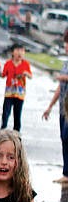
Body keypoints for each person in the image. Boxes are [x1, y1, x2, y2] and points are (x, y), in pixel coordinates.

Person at [42, 29, 68, 184]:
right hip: (63, 107)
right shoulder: (66, 63)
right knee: (64, 139)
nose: (66, 46)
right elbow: (60, 86)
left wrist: (64, 77)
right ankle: (66, 173)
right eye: (65, 42)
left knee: (67, 136)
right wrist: (50, 106)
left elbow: (63, 79)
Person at [0, 45, 32, 132]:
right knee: (6, 110)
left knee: (17, 112)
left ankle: (17, 130)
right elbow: (3, 75)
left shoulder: (25, 64)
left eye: (22, 50)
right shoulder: (8, 63)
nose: (19, 53)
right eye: (17, 50)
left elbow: (30, 76)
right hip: (9, 92)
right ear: (13, 52)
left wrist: (26, 73)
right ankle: (3, 127)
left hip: (20, 93)